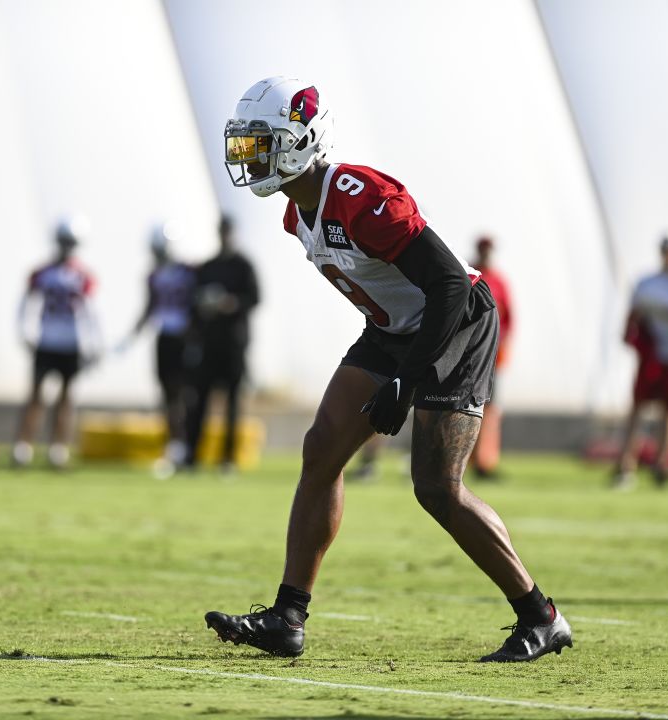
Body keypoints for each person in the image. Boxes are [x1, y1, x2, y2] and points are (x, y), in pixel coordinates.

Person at [202, 77, 571, 662]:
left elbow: (449, 283)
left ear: (300, 140)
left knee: (436, 489)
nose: (250, 158)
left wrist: (409, 379)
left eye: (260, 144)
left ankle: (541, 615)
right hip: (395, 330)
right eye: (245, 146)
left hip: (454, 323)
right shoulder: (296, 214)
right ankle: (288, 617)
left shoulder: (357, 194)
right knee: (321, 450)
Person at [14, 219, 100, 470]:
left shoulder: (82, 275)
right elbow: (25, 304)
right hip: (47, 340)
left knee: (66, 398)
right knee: (36, 396)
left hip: (71, 343)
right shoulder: (42, 272)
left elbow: (91, 312)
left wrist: (92, 344)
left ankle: (58, 448)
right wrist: (25, 332)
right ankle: (24, 446)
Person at [612, 236, 668, 489]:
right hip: (651, 357)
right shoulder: (646, 282)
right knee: (638, 409)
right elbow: (633, 314)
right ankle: (627, 464)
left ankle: (663, 464)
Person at [182, 214, 259, 472]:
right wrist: (204, 307)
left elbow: (255, 298)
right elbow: (193, 302)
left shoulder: (243, 265)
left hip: (234, 344)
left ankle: (227, 459)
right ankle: (192, 455)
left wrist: (230, 303)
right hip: (209, 343)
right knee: (200, 400)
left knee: (233, 403)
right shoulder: (209, 266)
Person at [123, 224, 196, 476]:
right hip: (164, 337)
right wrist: (131, 336)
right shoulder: (154, 275)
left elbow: (192, 304)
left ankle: (184, 447)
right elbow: (149, 308)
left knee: (183, 394)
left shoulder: (188, 272)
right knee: (167, 395)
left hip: (182, 338)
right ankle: (175, 446)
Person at [470, 236, 514, 479]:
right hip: (469, 354)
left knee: (490, 408)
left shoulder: (499, 281)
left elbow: (508, 318)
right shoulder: (470, 274)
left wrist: (501, 346)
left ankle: (485, 460)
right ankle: (466, 459)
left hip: (492, 356)